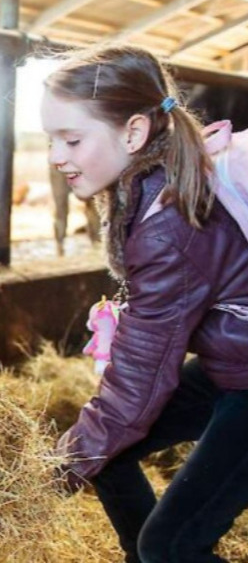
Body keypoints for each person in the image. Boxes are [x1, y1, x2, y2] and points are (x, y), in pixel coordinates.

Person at [41, 44, 248, 563]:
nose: (55, 156)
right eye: (50, 139)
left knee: (171, 545)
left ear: (134, 132)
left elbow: (143, 374)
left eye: (71, 138)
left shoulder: (168, 223)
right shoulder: (153, 185)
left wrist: (60, 466)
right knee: (108, 454)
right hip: (234, 366)